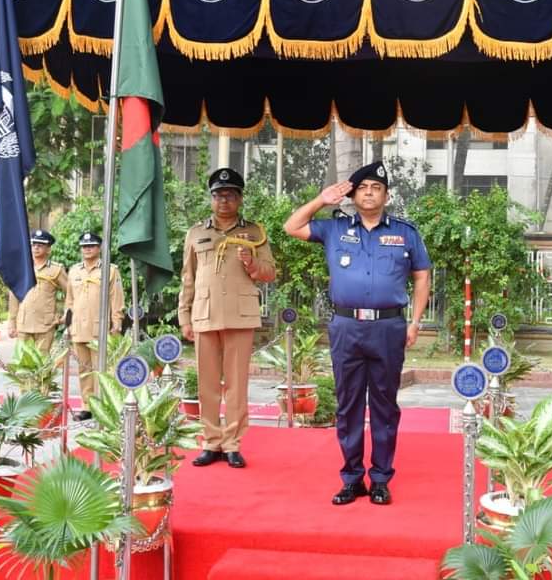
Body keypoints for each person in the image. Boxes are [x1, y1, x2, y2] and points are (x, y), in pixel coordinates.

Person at [283, 161, 431, 505]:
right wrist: (322, 199)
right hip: (347, 326)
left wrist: (416, 321)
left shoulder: (405, 233)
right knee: (348, 404)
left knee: (384, 404)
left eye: (376, 188)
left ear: (387, 195)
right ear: (352, 194)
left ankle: (380, 478)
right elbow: (291, 226)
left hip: (388, 327)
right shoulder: (335, 229)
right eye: (362, 187)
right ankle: (352, 478)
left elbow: (422, 276)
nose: (368, 192)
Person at [179, 168, 276, 469]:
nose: (224, 200)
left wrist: (252, 264)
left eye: (230, 195)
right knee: (207, 383)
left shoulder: (255, 233)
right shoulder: (196, 233)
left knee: (236, 384)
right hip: (204, 315)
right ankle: (211, 442)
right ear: (211, 198)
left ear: (240, 199)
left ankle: (232, 444)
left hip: (240, 316)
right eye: (219, 195)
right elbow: (188, 277)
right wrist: (185, 316)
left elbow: (270, 272)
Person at [65, 231, 124, 420]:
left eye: (91, 246)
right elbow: (69, 300)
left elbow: (116, 299)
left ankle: (104, 406)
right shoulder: (74, 270)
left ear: (99, 248)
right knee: (84, 369)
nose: (87, 249)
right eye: (84, 246)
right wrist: (67, 324)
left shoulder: (110, 269)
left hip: (100, 327)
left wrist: (117, 322)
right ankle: (87, 406)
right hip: (78, 328)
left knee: (102, 369)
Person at [6, 229, 71, 354]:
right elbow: (14, 297)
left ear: (48, 249)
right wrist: (11, 322)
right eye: (34, 245)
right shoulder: (21, 268)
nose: (36, 248)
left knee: (42, 364)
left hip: (45, 325)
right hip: (23, 323)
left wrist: (66, 312)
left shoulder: (56, 270)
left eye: (40, 245)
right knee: (22, 364)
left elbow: (70, 292)